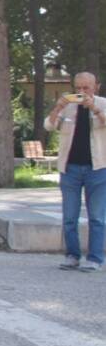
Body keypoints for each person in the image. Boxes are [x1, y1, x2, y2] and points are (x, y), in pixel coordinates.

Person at [46, 72, 106, 272]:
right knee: (69, 216)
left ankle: (95, 258)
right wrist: (58, 107)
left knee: (97, 217)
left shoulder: (103, 104)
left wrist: (94, 109)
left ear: (96, 87)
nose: (81, 92)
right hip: (69, 168)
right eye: (77, 88)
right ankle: (72, 255)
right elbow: (49, 125)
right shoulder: (68, 106)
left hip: (97, 168)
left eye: (86, 88)